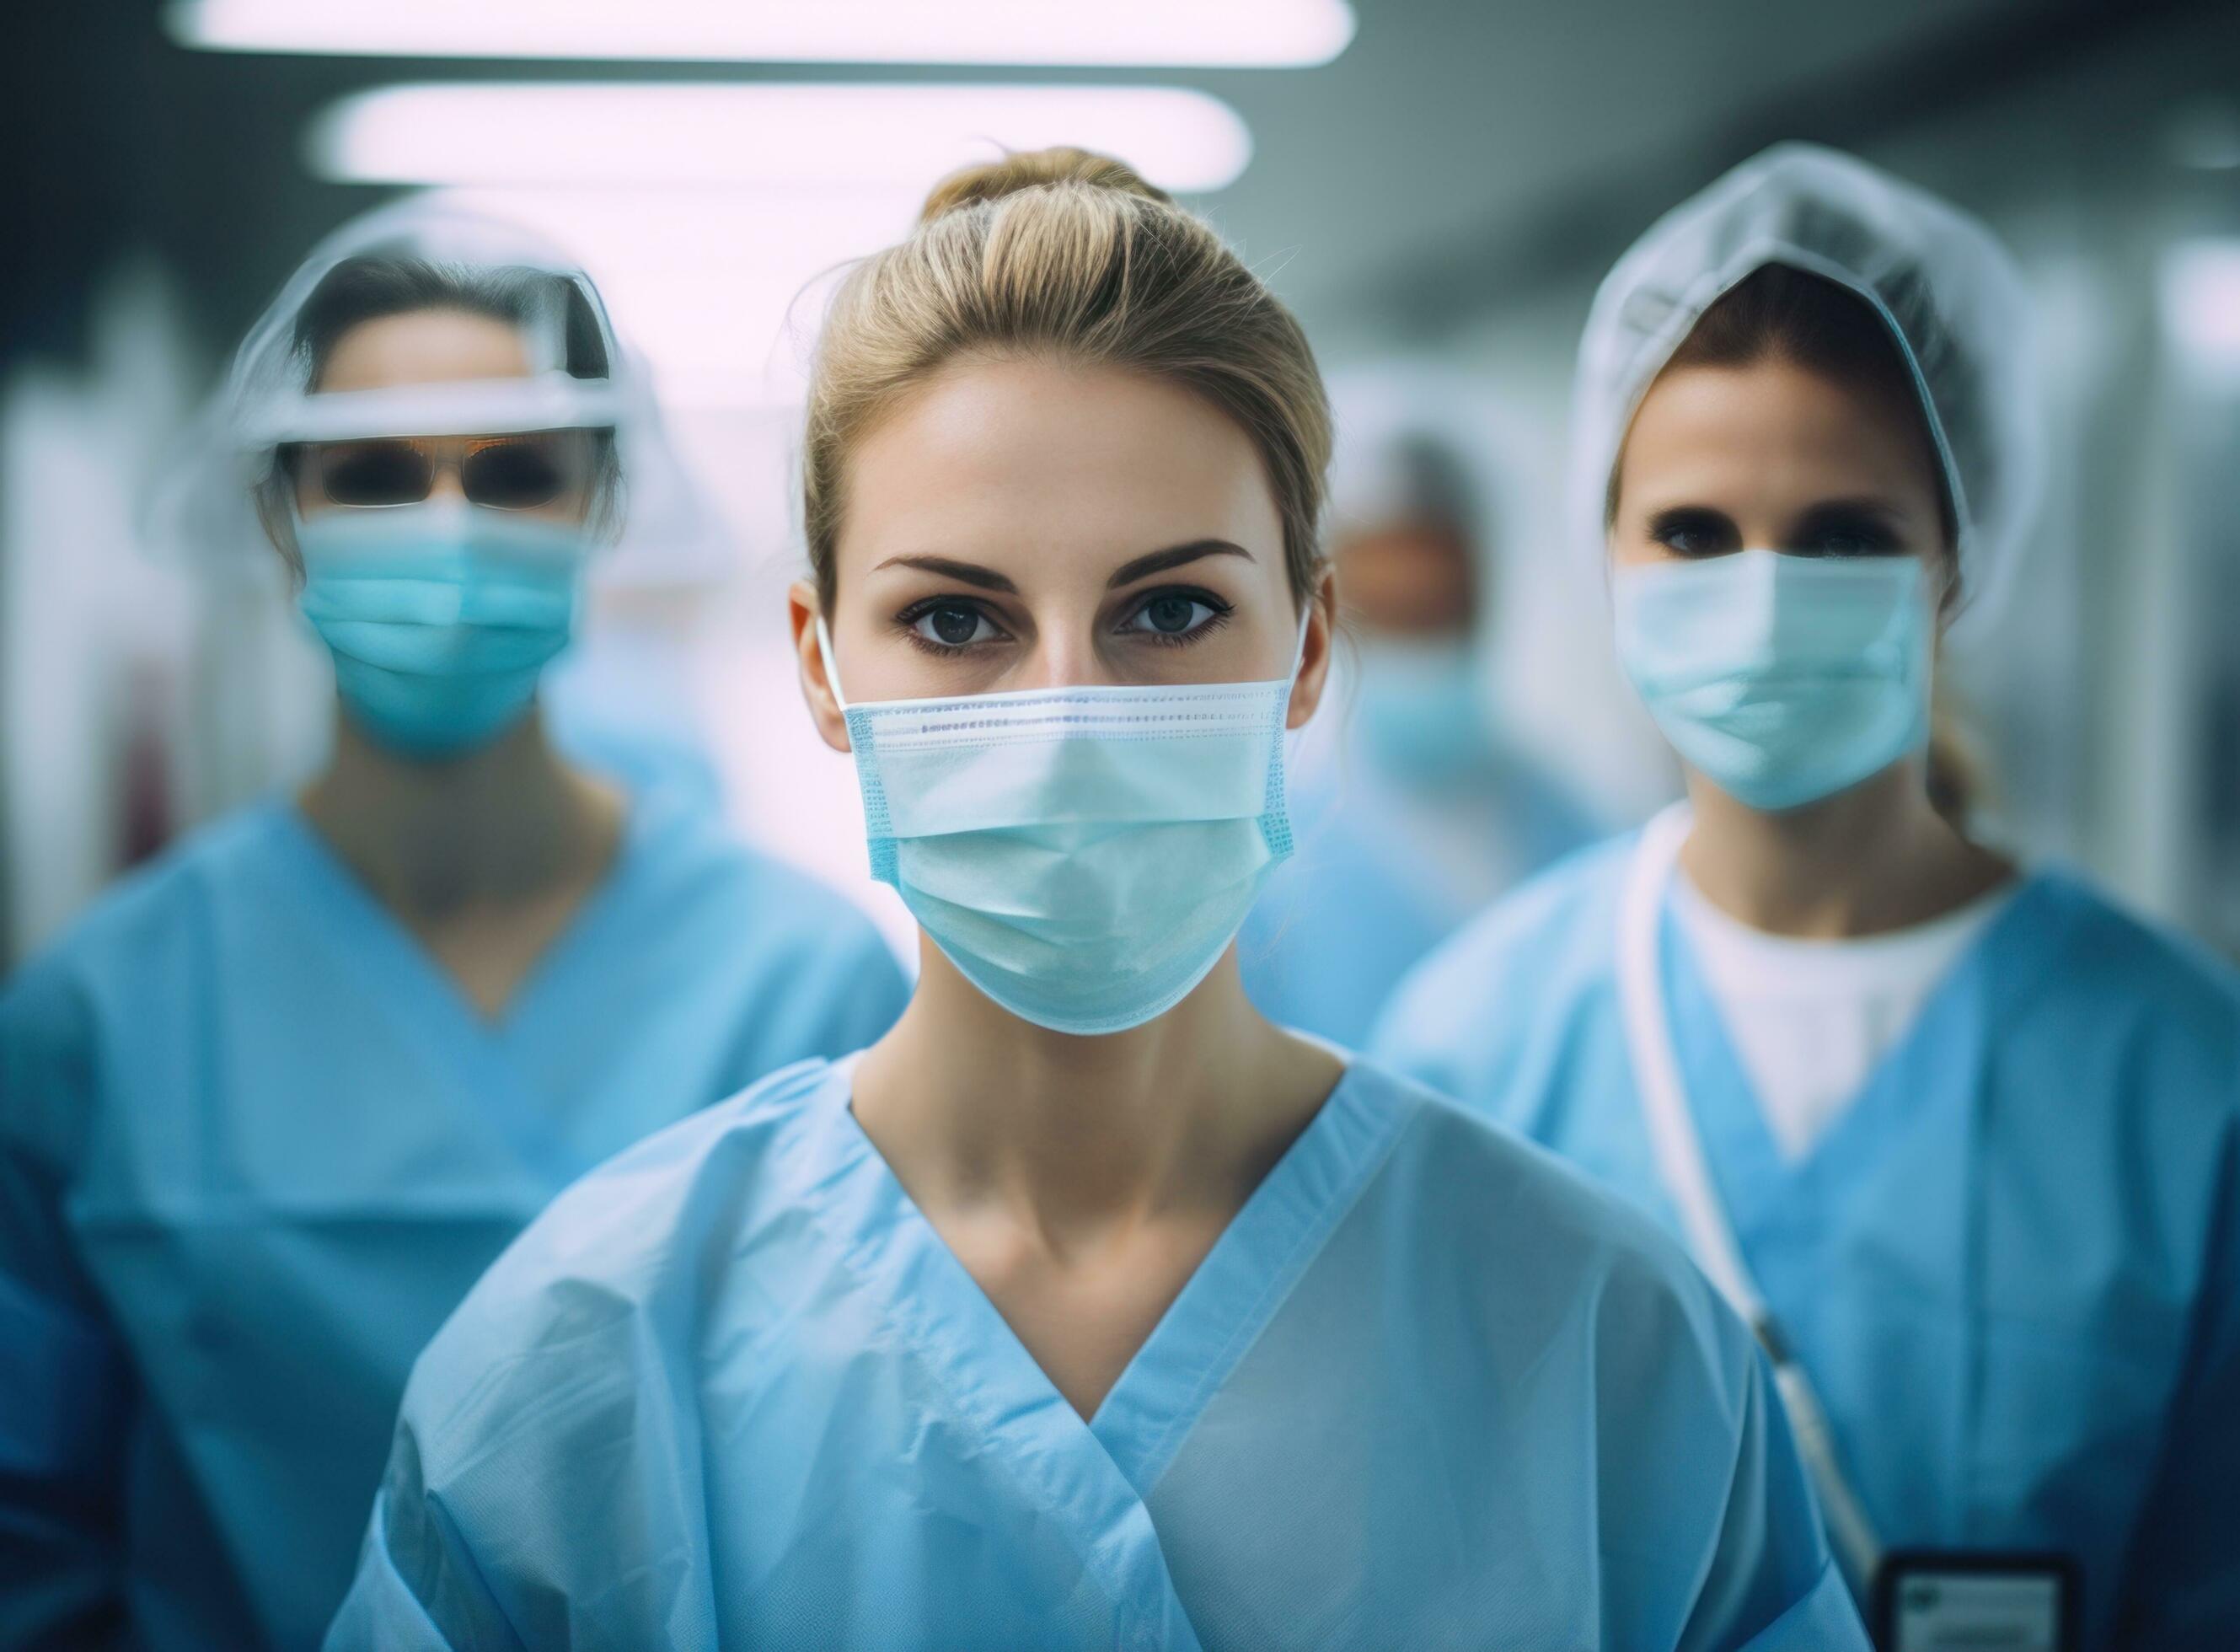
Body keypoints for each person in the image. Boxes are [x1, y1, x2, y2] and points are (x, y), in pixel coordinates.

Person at [326, 148, 1867, 1651]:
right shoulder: (585, 1364)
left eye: (1169, 610)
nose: (1066, 715)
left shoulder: (1604, 1347)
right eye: (953, 620)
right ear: (816, 663)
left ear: (1310, 646)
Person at [0, 201, 910, 1651]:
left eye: (512, 473)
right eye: (368, 475)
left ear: (601, 502)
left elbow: (876, 1499)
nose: (447, 528)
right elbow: (29, 1534)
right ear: (276, 512)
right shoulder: (100, 1021)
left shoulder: (805, 987)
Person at [1373, 142, 2240, 1649]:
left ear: (1957, 562)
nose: (1761, 594)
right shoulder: (1470, 1044)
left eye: (1844, 538)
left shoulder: (2177, 1076)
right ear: (1604, 553)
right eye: (1692, 533)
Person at [1239, 370, 1596, 1044]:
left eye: (1439, 614)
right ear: (1326, 617)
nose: (1421, 653)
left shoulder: (1570, 821)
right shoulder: (1273, 859)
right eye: (1395, 620)